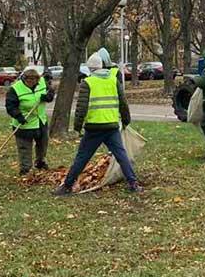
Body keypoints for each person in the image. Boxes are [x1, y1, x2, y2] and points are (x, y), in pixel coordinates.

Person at [54, 53, 141, 195]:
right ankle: (133, 184)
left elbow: (81, 108)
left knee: (82, 157)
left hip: (93, 128)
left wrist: (77, 127)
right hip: (112, 126)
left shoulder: (88, 82)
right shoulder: (113, 80)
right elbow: (123, 103)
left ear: (90, 68)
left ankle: (67, 185)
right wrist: (126, 120)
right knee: (121, 155)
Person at [5, 65, 55, 174]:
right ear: (24, 78)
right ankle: (25, 168)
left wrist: (48, 97)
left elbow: (51, 91)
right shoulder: (15, 89)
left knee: (42, 145)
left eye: (34, 80)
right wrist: (18, 116)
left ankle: (40, 162)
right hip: (24, 124)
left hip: (40, 121)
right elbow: (10, 106)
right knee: (24, 147)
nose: (32, 82)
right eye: (29, 80)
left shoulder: (42, 82)